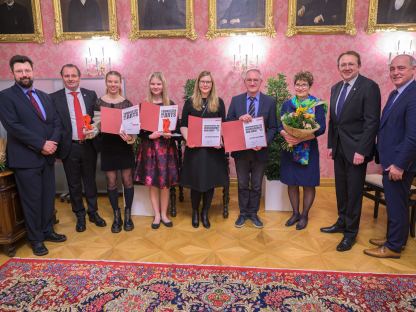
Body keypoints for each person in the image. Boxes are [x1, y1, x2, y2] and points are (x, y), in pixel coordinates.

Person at [0, 55, 66, 256]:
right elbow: (13, 126)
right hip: (25, 159)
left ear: (33, 71)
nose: (24, 74)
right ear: (13, 73)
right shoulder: (6, 96)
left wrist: (52, 144)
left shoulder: (45, 96)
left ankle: (47, 231)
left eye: (27, 70)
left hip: (47, 156)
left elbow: (56, 122)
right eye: (19, 71)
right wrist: (41, 144)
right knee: (32, 201)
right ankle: (35, 239)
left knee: (48, 197)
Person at [322, 51, 381, 252]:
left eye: (351, 64)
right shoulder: (336, 87)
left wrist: (362, 150)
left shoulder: (369, 86)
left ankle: (351, 233)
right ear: (338, 67)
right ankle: (341, 222)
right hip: (339, 148)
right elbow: (334, 120)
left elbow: (372, 122)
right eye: (343, 64)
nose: (346, 68)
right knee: (341, 189)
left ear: (359, 65)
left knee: (354, 192)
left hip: (357, 150)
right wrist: (331, 145)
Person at [364, 54, 416, 259]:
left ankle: (393, 247)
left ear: (413, 69)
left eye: (401, 68)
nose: (396, 72)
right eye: (392, 68)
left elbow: (413, 136)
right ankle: (396, 239)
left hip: (399, 163)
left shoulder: (413, 95)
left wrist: (400, 165)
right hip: (391, 159)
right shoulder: (398, 93)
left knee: (396, 204)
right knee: (398, 203)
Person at [51, 64, 106, 233]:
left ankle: (93, 212)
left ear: (79, 77)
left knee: (90, 181)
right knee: (74, 184)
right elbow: (54, 124)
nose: (70, 78)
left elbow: (97, 118)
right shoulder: (54, 98)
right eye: (66, 76)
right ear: (62, 78)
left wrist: (95, 129)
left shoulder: (90, 95)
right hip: (69, 147)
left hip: (88, 145)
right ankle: (80, 215)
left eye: (73, 75)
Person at [227, 68, 277, 229]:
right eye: (249, 80)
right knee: (242, 184)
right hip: (241, 152)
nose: (252, 83)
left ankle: (253, 213)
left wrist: (263, 142)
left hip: (260, 151)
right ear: (244, 82)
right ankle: (243, 213)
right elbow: (228, 123)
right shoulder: (236, 100)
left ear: (261, 82)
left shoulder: (270, 101)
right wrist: (239, 119)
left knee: (256, 185)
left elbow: (273, 128)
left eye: (256, 80)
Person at [180, 71, 228, 229]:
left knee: (210, 182)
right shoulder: (190, 102)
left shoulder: (219, 102)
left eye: (208, 82)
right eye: (202, 81)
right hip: (195, 150)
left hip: (213, 151)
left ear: (212, 84)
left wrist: (220, 140)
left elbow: (223, 126)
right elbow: (184, 125)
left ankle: (205, 212)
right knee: (196, 182)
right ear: (198, 84)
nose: (205, 84)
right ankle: (195, 211)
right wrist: (189, 139)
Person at [279, 71, 326, 230]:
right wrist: (286, 135)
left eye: (304, 84)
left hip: (308, 150)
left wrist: (302, 137)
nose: (300, 87)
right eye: (298, 84)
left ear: (309, 86)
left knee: (308, 183)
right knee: (292, 182)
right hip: (290, 149)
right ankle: (295, 213)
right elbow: (280, 125)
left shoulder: (317, 104)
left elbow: (321, 128)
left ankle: (305, 215)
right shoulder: (288, 104)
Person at [134, 72, 178, 229]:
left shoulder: (170, 104)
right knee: (152, 183)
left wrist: (170, 133)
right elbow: (138, 129)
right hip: (150, 149)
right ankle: (157, 215)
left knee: (165, 184)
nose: (155, 87)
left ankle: (164, 215)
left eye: (158, 84)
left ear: (163, 85)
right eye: (153, 84)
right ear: (149, 85)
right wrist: (149, 135)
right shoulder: (144, 105)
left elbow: (175, 128)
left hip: (166, 149)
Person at [95, 71, 136, 233]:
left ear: (120, 83)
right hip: (107, 147)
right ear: (106, 83)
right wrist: (94, 128)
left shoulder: (127, 103)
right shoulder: (98, 102)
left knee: (127, 180)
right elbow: (96, 126)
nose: (113, 85)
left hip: (123, 146)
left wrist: (130, 137)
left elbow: (133, 129)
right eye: (110, 81)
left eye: (116, 82)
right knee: (111, 181)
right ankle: (116, 215)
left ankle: (128, 215)